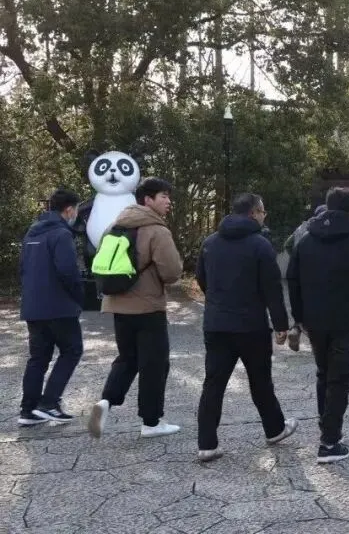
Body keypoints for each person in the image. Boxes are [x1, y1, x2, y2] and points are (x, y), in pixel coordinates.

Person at [287, 187, 349, 463]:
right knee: (340, 378)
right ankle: (330, 441)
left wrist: (299, 316)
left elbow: (293, 280)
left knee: (324, 373)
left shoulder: (306, 240)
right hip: (347, 318)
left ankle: (327, 427)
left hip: (314, 320)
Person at [194, 193, 298, 462]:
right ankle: (274, 429)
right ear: (254, 213)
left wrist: (218, 302)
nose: (265, 216)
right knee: (260, 380)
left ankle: (206, 444)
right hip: (251, 326)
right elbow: (272, 289)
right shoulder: (260, 245)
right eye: (263, 211)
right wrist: (281, 325)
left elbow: (201, 279)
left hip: (216, 324)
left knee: (213, 384)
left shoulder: (210, 242)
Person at [89, 177, 184, 440]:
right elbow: (172, 272)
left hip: (117, 305)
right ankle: (151, 422)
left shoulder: (114, 225)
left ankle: (106, 401)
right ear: (147, 200)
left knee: (127, 358)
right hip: (148, 307)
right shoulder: (157, 230)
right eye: (163, 196)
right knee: (154, 364)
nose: (168, 201)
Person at [18, 189, 84, 426]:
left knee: (38, 358)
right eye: (76, 210)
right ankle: (49, 403)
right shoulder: (61, 234)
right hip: (59, 306)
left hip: (33, 306)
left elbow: (22, 268)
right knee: (72, 350)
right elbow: (68, 271)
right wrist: (79, 297)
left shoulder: (32, 232)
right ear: (69, 210)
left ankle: (28, 410)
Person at [284, 204, 327, 351]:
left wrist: (294, 257)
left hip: (299, 269)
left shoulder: (301, 227)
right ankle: (318, 341)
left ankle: (296, 328)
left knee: (300, 302)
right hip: (315, 271)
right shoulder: (323, 229)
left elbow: (287, 244)